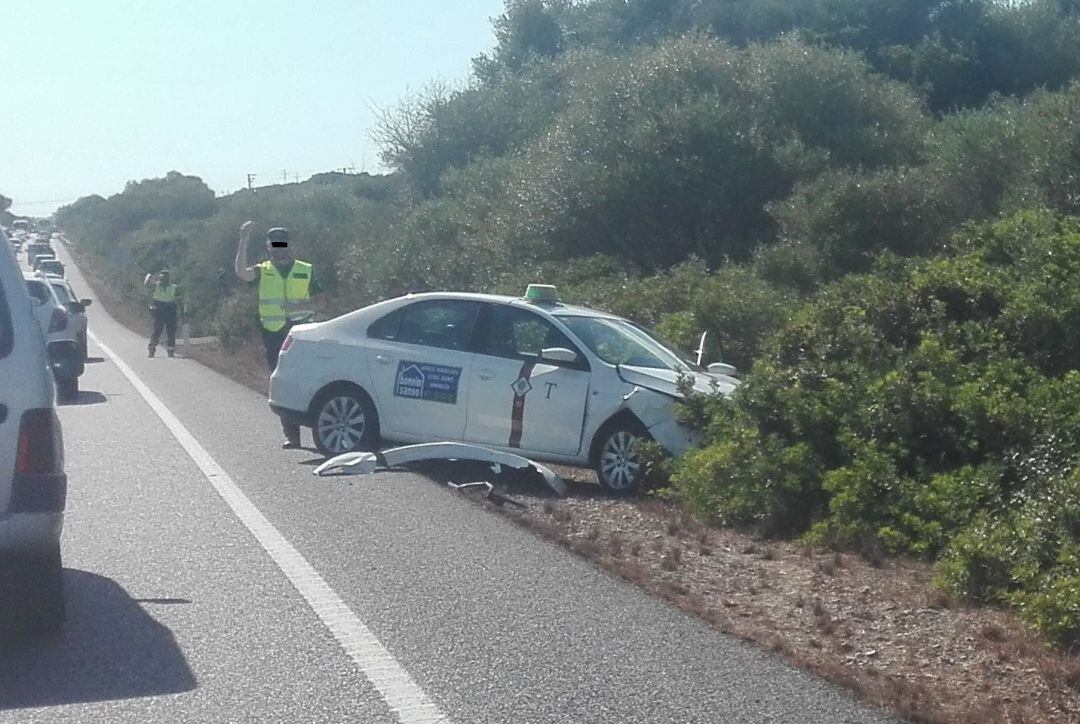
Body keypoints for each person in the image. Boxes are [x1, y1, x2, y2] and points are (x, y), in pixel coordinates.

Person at [235, 221, 323, 448]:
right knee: (283, 382)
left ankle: (321, 431)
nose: (279, 249)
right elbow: (242, 273)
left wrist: (303, 306)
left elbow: (322, 299)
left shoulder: (306, 269)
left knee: (311, 381)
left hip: (302, 333)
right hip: (273, 333)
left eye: (283, 245)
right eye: (275, 245)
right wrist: (243, 240)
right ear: (269, 248)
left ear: (290, 246)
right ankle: (291, 435)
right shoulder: (263, 270)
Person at [144, 269, 180, 358]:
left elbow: (180, 300)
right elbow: (147, 285)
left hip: (170, 310)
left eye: (164, 278)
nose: (162, 280)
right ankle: (152, 349)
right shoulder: (156, 286)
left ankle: (170, 350)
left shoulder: (174, 287)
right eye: (161, 278)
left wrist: (183, 312)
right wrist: (148, 277)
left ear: (168, 279)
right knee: (157, 331)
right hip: (158, 310)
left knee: (171, 331)